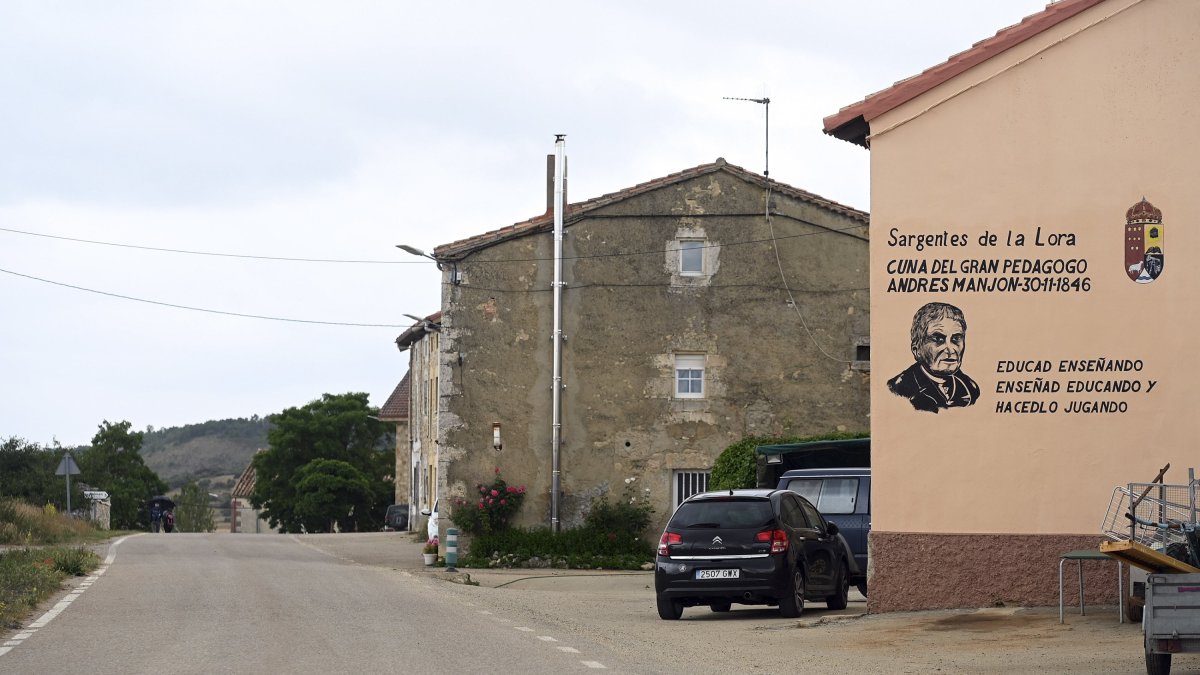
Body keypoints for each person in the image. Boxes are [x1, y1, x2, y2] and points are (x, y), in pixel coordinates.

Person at [888, 302, 980, 412]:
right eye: (938, 339)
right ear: (916, 350)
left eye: (956, 339)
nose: (950, 349)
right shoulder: (899, 389)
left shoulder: (971, 388)